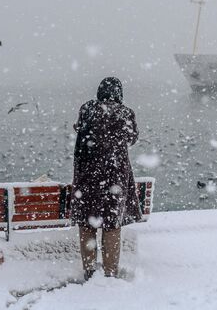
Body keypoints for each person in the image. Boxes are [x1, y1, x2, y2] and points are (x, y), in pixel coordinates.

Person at [71, 77, 141, 280]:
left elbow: (79, 129)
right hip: (115, 179)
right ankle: (110, 272)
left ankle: (89, 270)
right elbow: (132, 138)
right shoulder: (125, 113)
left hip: (87, 178)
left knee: (86, 224)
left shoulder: (87, 109)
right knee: (111, 225)